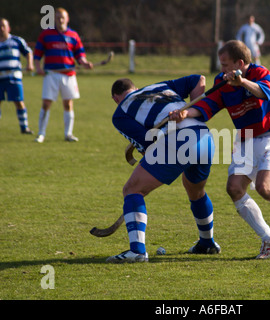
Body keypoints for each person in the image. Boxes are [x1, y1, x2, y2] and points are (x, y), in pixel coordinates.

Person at [170, 40, 270, 259]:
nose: (221, 69)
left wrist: (242, 82)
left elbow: (265, 93)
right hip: (245, 140)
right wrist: (185, 113)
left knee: (264, 188)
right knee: (234, 188)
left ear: (240, 63)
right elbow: (207, 106)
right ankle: (269, 241)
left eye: (225, 64)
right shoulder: (221, 82)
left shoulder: (260, 72)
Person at [106, 75, 220, 263]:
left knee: (132, 189)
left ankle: (137, 252)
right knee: (195, 191)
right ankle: (207, 243)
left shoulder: (120, 112)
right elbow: (198, 79)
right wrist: (193, 110)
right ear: (135, 88)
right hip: (205, 138)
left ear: (115, 99)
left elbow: (148, 142)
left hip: (179, 140)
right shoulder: (159, 86)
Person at [33, 7, 93, 143]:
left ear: (67, 19)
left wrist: (85, 63)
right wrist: (38, 68)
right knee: (46, 103)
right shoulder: (46, 34)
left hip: (68, 75)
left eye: (63, 17)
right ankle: (41, 134)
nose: (60, 20)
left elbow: (80, 55)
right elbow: (37, 54)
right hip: (51, 74)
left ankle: (68, 134)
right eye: (58, 17)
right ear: (54, 19)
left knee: (68, 104)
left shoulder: (73, 35)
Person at [0, 18, 34, 134]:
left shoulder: (17, 41)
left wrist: (30, 64)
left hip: (14, 77)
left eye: (3, 26)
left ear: (8, 28)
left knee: (18, 101)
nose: (1, 28)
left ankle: (24, 127)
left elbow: (28, 52)